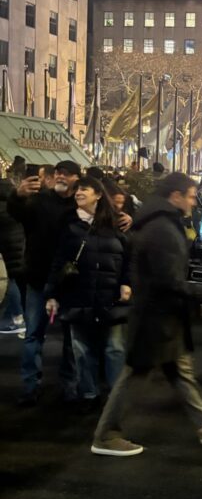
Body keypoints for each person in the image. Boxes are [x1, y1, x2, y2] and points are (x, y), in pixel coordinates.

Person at [91, 173, 202, 457]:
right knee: (136, 374)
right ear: (175, 196)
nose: (192, 201)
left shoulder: (158, 222)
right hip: (156, 317)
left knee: (178, 370)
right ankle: (106, 434)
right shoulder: (162, 228)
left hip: (159, 316)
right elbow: (168, 279)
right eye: (189, 195)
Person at [44, 177, 130, 413]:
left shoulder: (115, 224)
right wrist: (52, 295)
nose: (78, 193)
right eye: (77, 190)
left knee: (114, 348)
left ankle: (115, 395)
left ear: (98, 194)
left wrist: (126, 282)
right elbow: (58, 262)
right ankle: (89, 393)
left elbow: (127, 258)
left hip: (109, 298)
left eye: (84, 189)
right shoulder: (68, 224)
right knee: (82, 350)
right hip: (77, 296)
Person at [8, 159, 81, 405]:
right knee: (33, 336)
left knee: (71, 339)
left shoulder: (80, 205)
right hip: (39, 278)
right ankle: (30, 386)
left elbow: (106, 220)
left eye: (67, 174)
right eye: (58, 173)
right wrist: (17, 196)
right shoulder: (40, 201)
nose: (61, 176)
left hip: (70, 281)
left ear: (76, 179)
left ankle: (69, 386)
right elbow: (17, 213)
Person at [0, 177, 26, 336]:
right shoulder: (16, 205)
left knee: (12, 282)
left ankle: (18, 318)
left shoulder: (2, 208)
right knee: (15, 281)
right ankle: (15, 315)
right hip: (19, 247)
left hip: (7, 250)